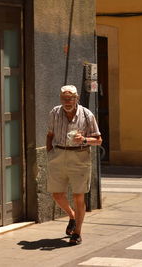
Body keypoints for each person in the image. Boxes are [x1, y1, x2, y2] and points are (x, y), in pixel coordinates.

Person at [46, 85, 102, 245]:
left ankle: (77, 233)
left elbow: (98, 140)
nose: (67, 101)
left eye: (70, 98)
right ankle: (72, 216)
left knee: (78, 196)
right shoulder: (54, 112)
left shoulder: (87, 114)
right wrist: (50, 154)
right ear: (60, 99)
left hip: (80, 157)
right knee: (57, 194)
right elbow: (50, 134)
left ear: (76, 98)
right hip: (59, 156)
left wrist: (84, 139)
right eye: (64, 98)